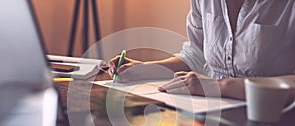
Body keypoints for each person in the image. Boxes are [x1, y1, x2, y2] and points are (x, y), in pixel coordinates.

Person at [107, 0, 295, 101]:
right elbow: (196, 55)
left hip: (274, 124)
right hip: (213, 116)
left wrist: (221, 86)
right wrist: (145, 69)